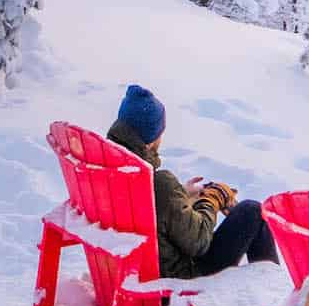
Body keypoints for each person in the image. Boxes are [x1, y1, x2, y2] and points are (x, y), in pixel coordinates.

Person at [107, 84, 278, 277]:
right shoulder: (159, 185)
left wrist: (180, 196)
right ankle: (271, 292)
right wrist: (212, 200)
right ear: (152, 139)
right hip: (175, 286)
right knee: (252, 212)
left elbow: (154, 210)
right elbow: (199, 242)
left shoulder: (106, 172)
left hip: (132, 275)